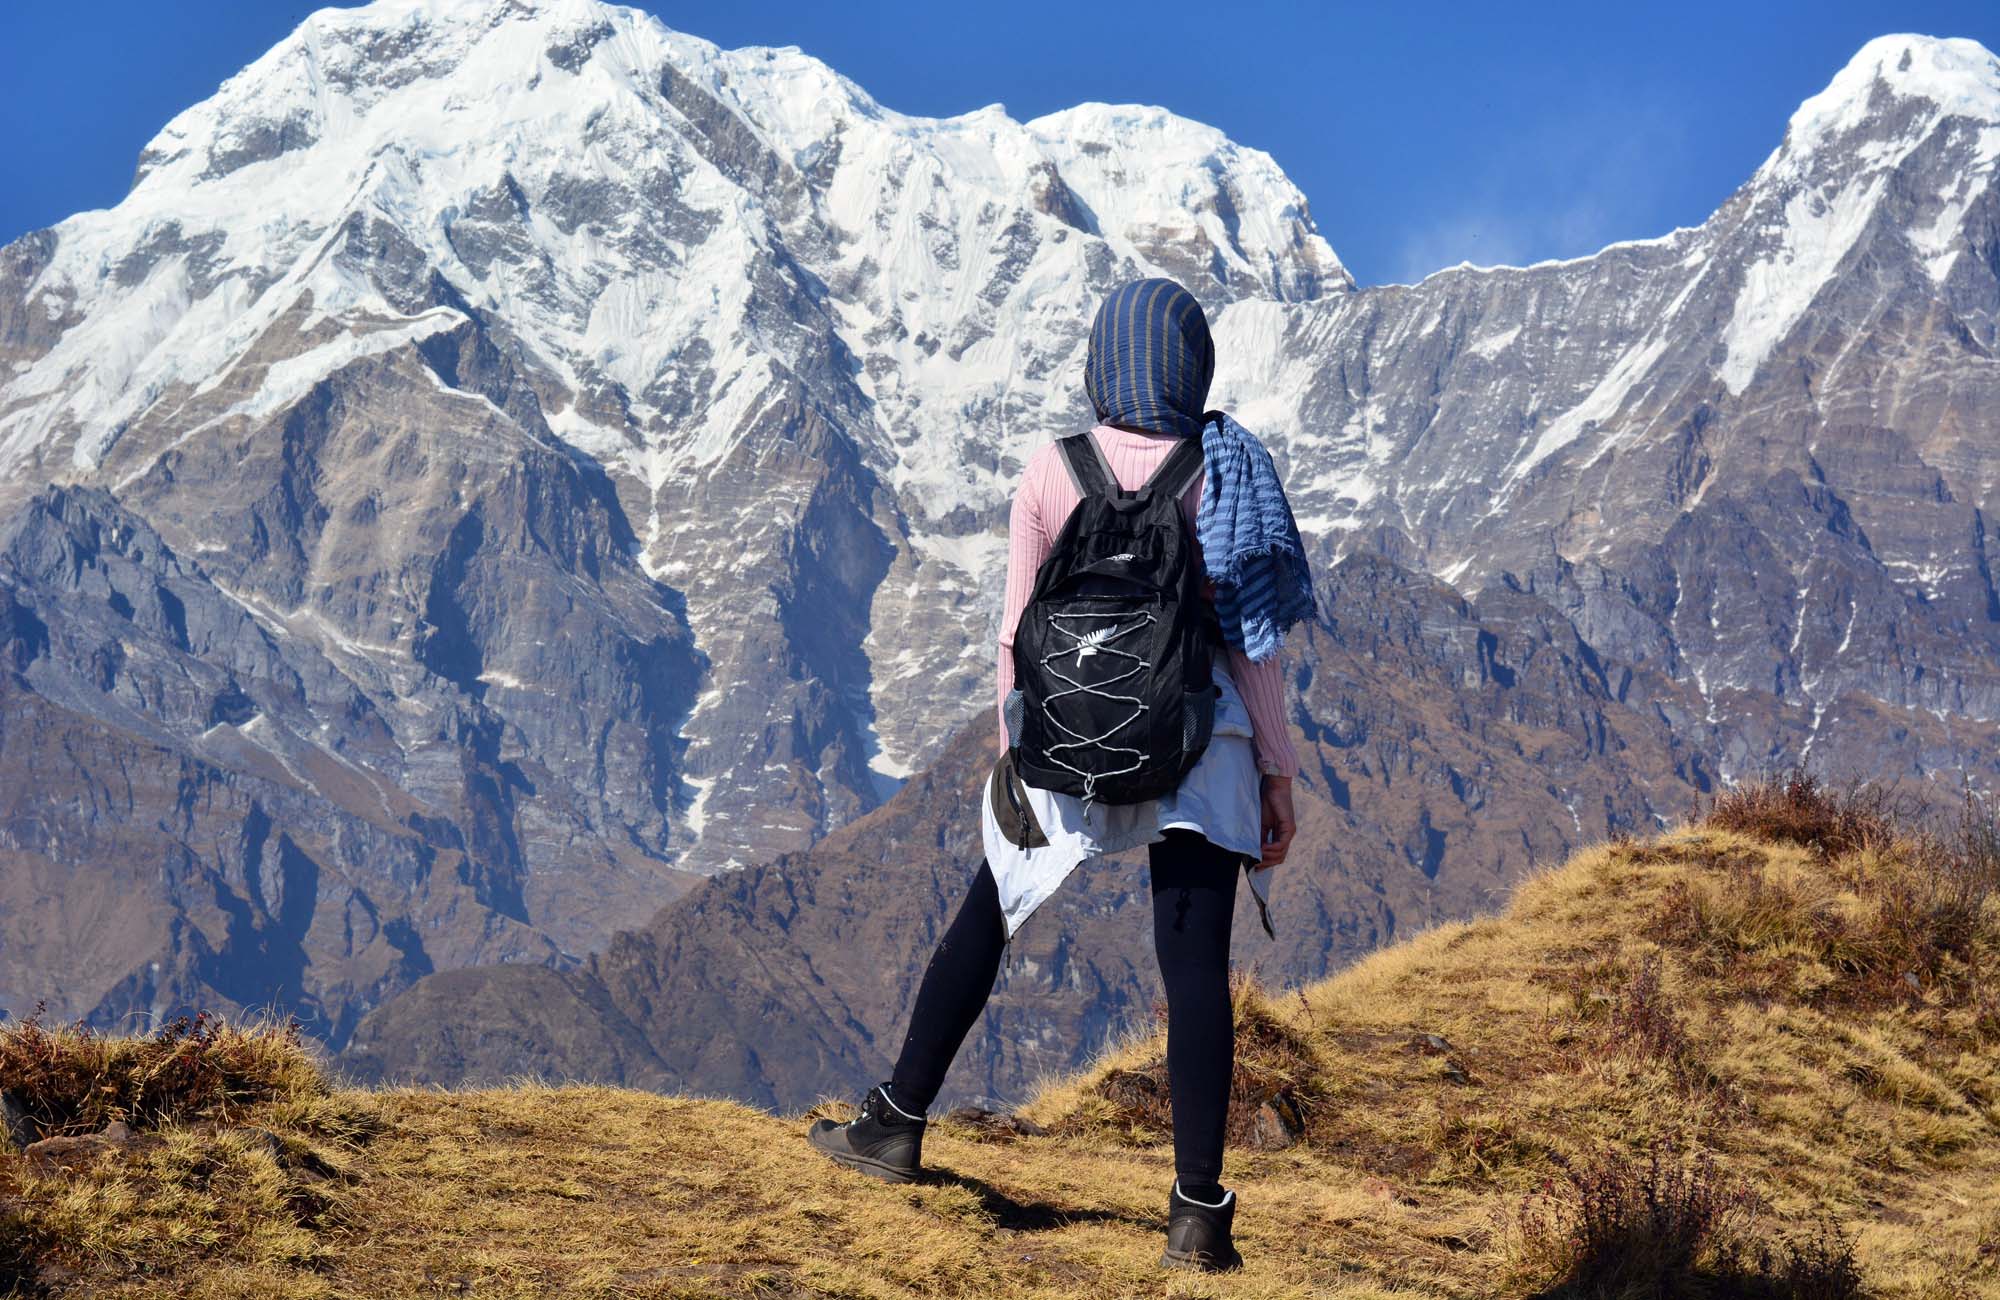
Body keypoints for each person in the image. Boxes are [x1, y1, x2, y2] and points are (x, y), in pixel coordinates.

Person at [806, 277, 1316, 1272]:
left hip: (1062, 742)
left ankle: (896, 1121)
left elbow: (1013, 634)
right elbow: (1252, 647)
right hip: (1194, 744)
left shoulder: (1050, 471)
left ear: (1102, 363)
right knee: (1194, 969)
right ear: (1190, 363)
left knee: (986, 916)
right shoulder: (1223, 470)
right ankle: (1196, 1213)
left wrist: (1017, 755)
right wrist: (1276, 775)